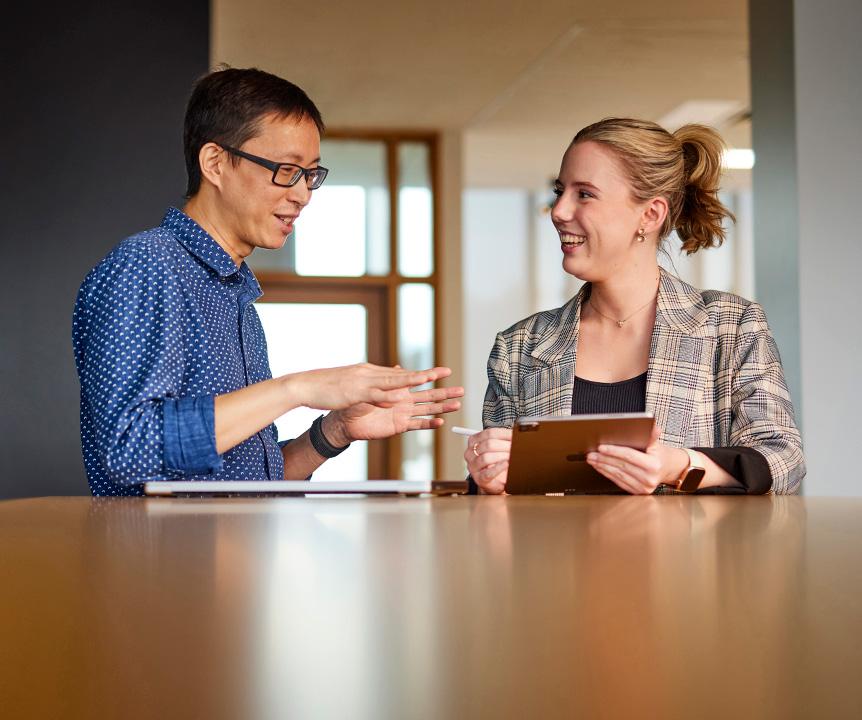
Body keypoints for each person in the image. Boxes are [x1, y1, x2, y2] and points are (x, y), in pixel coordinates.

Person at [73, 67, 463, 496]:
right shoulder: (147, 265)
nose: (302, 194)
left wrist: (332, 432)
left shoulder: (234, 293)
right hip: (160, 564)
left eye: (310, 175)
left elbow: (248, 487)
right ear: (215, 163)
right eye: (285, 170)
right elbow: (131, 449)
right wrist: (297, 388)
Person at [465, 118, 804, 495]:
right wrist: (487, 480)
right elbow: (498, 500)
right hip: (553, 555)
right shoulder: (519, 347)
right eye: (560, 191)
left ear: (650, 214)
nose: (558, 211)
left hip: (687, 556)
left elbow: (783, 459)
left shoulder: (732, 326)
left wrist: (675, 465)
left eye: (584, 194)